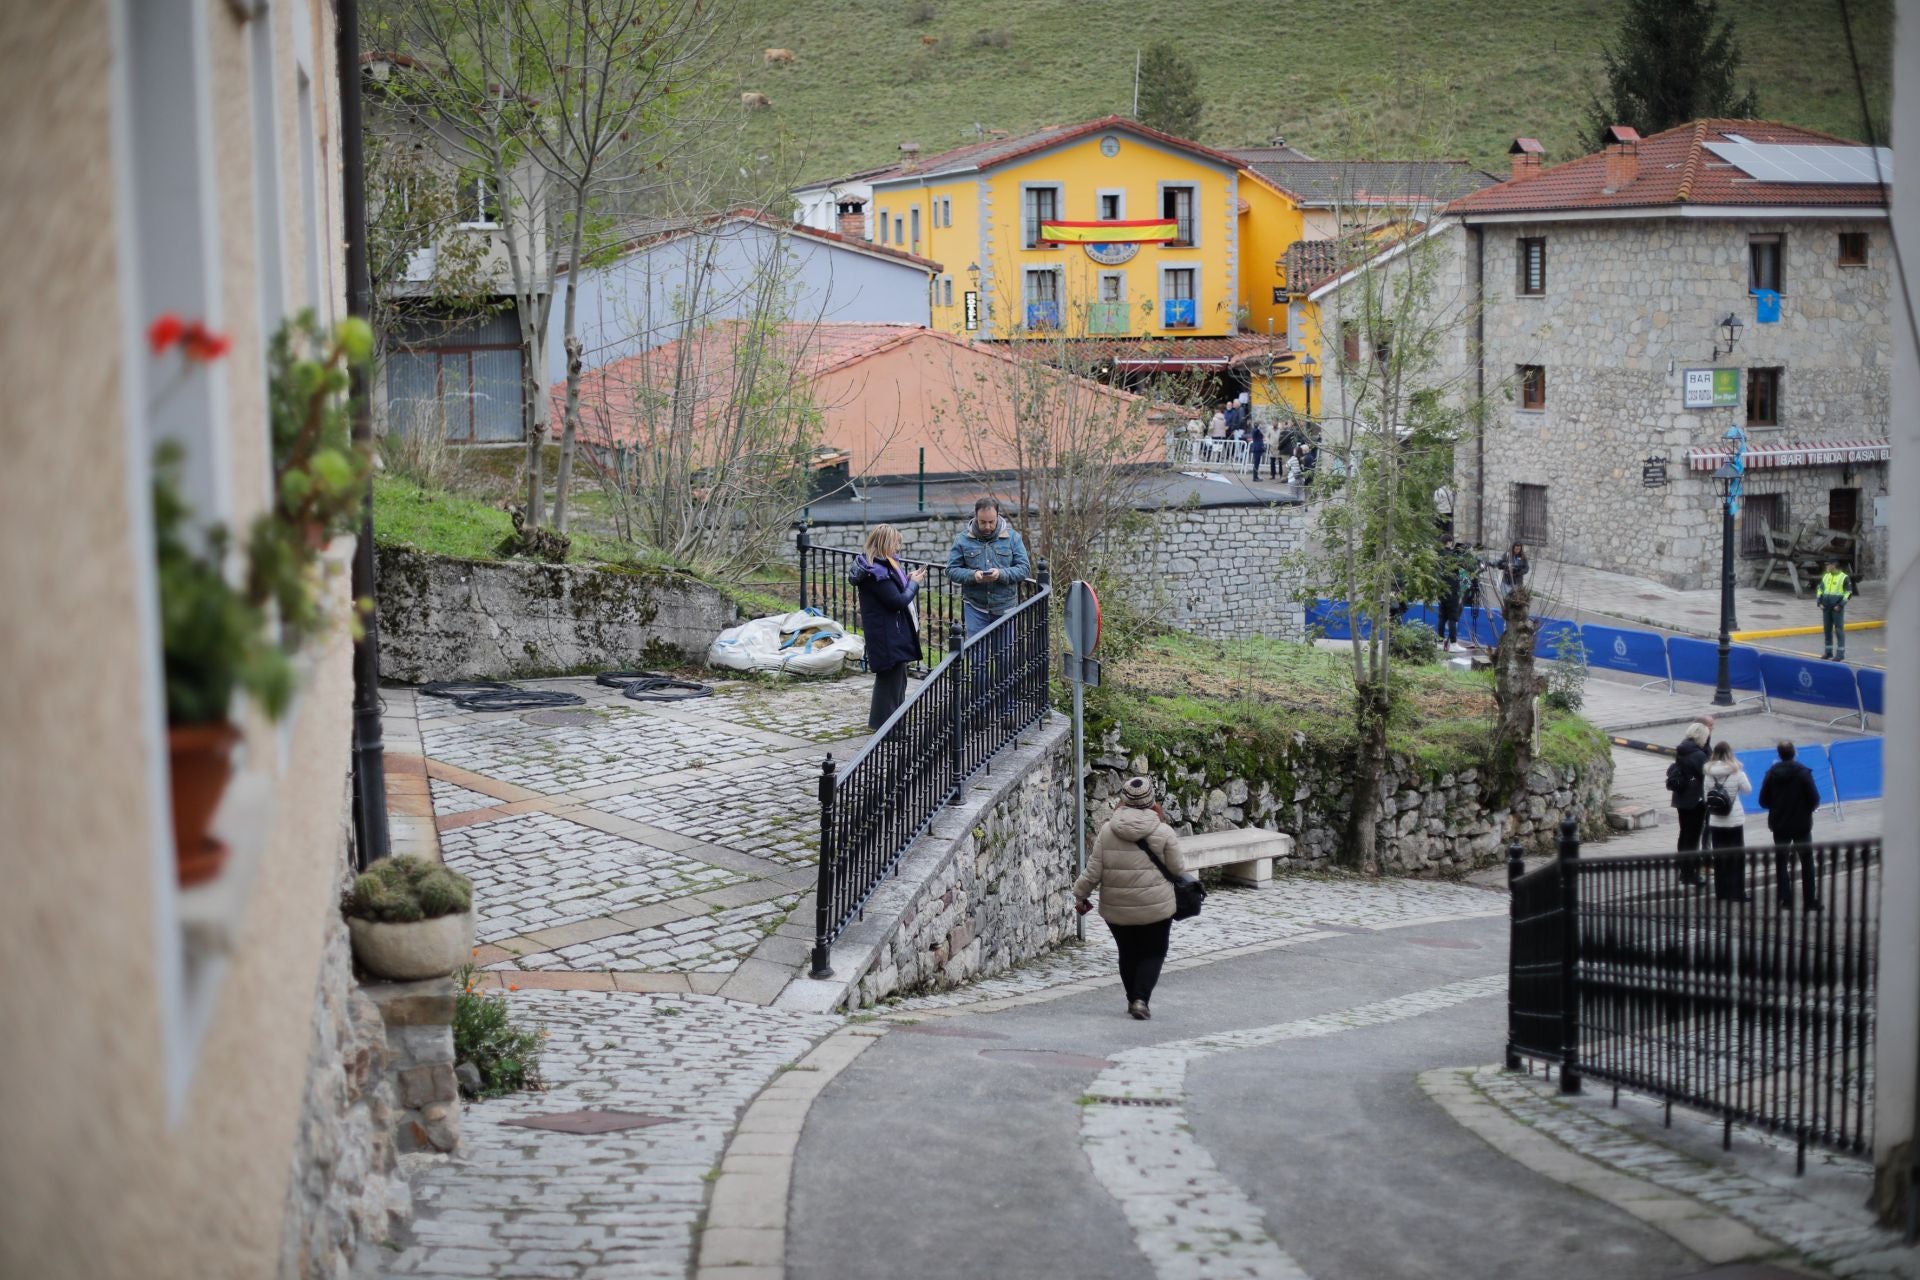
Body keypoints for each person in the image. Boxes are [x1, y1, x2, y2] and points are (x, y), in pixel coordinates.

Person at [1073, 776, 1185, 1020]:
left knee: (1128, 951)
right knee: (1154, 951)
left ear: (1121, 800)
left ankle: (1132, 997)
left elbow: (1093, 871)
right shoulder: (1164, 832)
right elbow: (1177, 870)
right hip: (1156, 906)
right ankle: (1140, 999)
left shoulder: (1106, 831)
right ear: (1152, 800)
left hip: (1117, 907)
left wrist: (1080, 894)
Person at [945, 498, 1031, 722]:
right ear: (975, 517)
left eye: (991, 522)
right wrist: (972, 576)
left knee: (1005, 660)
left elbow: (1023, 568)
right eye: (983, 522)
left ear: (998, 517)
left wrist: (1001, 574)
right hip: (976, 607)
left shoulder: (1012, 538)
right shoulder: (962, 540)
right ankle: (981, 710)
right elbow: (952, 570)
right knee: (979, 661)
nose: (987, 527)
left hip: (1005, 607)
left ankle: (1007, 710)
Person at [848, 524, 925, 731]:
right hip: (887, 633)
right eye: (895, 544)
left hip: (890, 631)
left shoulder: (880, 567)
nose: (897, 549)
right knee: (889, 681)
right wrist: (914, 584)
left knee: (896, 679)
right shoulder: (876, 573)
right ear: (885, 544)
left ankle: (890, 723)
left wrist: (907, 580)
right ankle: (886, 727)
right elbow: (898, 601)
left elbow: (894, 593)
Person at [1758, 740, 1823, 911]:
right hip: (1801, 824)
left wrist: (1777, 806)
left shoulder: (1771, 773)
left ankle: (1785, 899)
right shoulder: (1803, 772)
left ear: (1778, 754)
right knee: (1807, 861)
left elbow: (1763, 801)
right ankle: (1809, 900)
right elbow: (1814, 799)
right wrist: (1805, 809)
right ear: (1794, 752)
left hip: (1779, 824)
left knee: (1781, 861)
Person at [1703, 740, 1753, 902]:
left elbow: (1706, 798)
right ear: (1729, 754)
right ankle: (1737, 892)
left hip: (1716, 821)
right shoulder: (1736, 771)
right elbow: (1748, 790)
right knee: (1737, 857)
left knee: (1720, 857)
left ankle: (1721, 892)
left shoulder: (1708, 772)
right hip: (1734, 820)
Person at [1668, 721, 1712, 886]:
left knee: (1684, 834)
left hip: (1681, 799)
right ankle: (1690, 873)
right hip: (1695, 801)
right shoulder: (1699, 755)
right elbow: (1706, 773)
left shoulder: (1682, 749)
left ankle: (1683, 870)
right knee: (1693, 838)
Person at [1817, 560, 1855, 661]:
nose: (1826, 566)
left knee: (1839, 630)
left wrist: (1840, 605)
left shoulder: (1844, 577)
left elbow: (1848, 593)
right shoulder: (1826, 576)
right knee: (1827, 630)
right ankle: (1828, 652)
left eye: (1827, 564)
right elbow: (1820, 589)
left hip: (1837, 608)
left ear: (1834, 565)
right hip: (1826, 607)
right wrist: (1819, 602)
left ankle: (1840, 654)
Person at [1436, 538, 1467, 649]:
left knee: (1442, 617)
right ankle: (1453, 644)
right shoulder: (1453, 556)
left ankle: (1439, 642)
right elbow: (1463, 565)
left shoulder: (1438, 554)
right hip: (1452, 591)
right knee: (1452, 618)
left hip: (1441, 590)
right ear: (1449, 542)